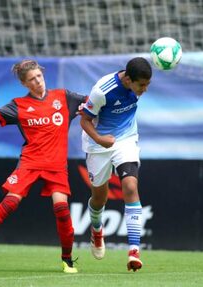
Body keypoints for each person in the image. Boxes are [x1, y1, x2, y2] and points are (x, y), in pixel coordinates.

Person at [0, 59, 87, 274]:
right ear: (25, 84)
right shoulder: (18, 105)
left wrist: (94, 108)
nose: (38, 81)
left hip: (56, 166)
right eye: (32, 79)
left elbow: (93, 103)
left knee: (62, 209)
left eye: (39, 76)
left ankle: (67, 259)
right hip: (30, 162)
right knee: (10, 203)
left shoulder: (64, 97)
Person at [80, 57, 152, 272]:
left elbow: (138, 89)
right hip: (98, 144)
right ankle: (96, 228)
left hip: (126, 139)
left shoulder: (135, 85)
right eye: (142, 85)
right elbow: (84, 120)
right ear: (128, 80)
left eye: (148, 85)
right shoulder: (102, 90)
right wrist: (100, 140)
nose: (145, 90)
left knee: (130, 186)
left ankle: (134, 251)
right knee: (99, 197)